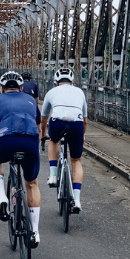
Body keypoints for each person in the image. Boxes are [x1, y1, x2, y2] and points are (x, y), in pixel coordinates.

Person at [0, 71, 42, 247]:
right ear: (22, 88)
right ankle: (35, 232)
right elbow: (39, 128)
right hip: (30, 140)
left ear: (2, 88)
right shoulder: (31, 100)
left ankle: (2, 198)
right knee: (32, 184)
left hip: (7, 140)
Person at [41, 66, 88, 213]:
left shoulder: (51, 92)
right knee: (76, 160)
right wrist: (82, 134)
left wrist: (43, 134)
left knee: (53, 141)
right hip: (77, 124)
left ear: (56, 82)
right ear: (72, 82)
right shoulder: (80, 92)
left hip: (58, 122)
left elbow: (44, 118)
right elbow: (85, 120)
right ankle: (77, 199)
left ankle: (53, 175)